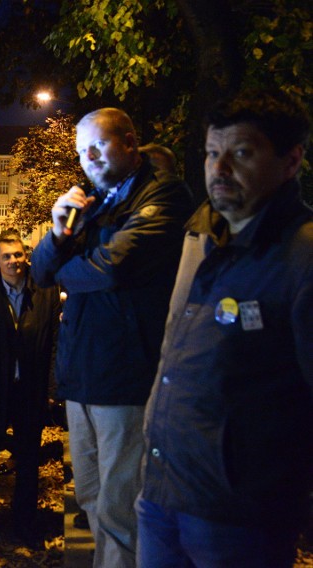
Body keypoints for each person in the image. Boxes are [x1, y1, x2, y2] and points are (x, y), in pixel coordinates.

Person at [138, 89, 313, 567]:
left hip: (238, 522)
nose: (219, 169)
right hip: (164, 499)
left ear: (291, 161)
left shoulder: (301, 258)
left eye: (241, 153)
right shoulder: (216, 246)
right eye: (213, 153)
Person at [30, 107, 194, 567]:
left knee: (121, 507)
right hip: (83, 374)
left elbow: (112, 267)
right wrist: (59, 229)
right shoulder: (96, 202)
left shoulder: (164, 195)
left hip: (124, 377)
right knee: (91, 498)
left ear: (129, 140)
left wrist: (67, 265)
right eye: (83, 150)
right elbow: (41, 273)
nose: (90, 157)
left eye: (99, 144)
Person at [0, 232, 60, 548]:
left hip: (29, 391)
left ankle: (24, 522)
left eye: (18, 255)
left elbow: (54, 344)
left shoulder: (45, 292)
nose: (13, 262)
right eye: (6, 256)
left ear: (25, 256)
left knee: (28, 461)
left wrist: (50, 387)